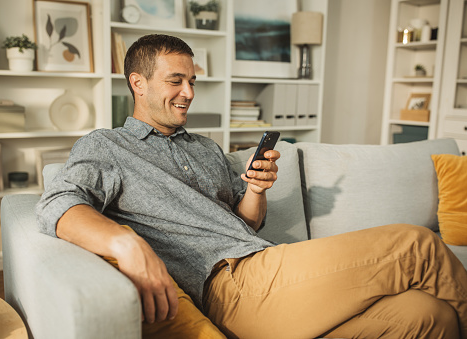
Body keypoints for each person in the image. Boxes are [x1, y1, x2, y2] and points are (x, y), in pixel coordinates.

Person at [36, 34, 467, 338]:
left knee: (429, 316)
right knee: (416, 246)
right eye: (175, 81)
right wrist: (125, 244)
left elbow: (248, 223)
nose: (188, 92)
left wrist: (257, 190)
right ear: (138, 83)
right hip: (227, 286)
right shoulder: (108, 146)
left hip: (268, 275)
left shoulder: (206, 149)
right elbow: (57, 202)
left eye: (192, 82)